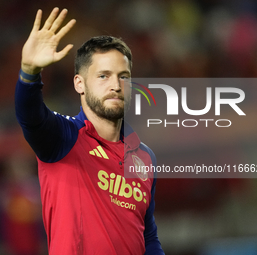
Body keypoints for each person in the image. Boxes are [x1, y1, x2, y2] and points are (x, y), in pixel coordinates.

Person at [15, 7, 164, 255]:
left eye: (124, 77)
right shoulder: (65, 138)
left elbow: (148, 235)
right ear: (79, 84)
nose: (116, 86)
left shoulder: (145, 157)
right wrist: (29, 72)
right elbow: (31, 117)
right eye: (103, 76)